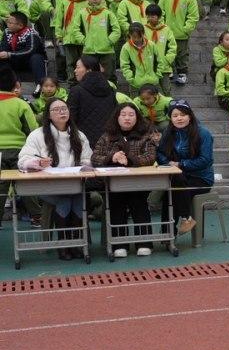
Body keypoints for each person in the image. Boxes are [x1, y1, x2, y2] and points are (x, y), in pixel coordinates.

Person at [17, 97, 92, 260]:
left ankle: (75, 245)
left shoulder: (79, 135)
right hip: (47, 187)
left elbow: (87, 159)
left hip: (74, 185)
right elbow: (23, 160)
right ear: (48, 115)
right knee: (65, 200)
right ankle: (65, 246)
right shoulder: (37, 135)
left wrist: (85, 166)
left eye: (64, 108)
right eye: (56, 109)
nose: (61, 112)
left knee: (77, 198)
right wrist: (38, 163)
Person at [90, 103, 157, 258]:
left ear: (137, 117)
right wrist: (112, 157)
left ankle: (144, 243)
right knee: (116, 207)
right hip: (114, 182)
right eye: (123, 115)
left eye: (131, 115)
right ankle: (119, 244)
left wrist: (130, 159)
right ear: (117, 117)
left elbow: (150, 156)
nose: (127, 118)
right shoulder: (107, 136)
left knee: (139, 205)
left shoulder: (145, 135)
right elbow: (95, 158)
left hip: (138, 182)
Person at [156, 99, 214, 236]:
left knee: (172, 192)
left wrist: (180, 164)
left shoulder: (203, 133)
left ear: (190, 116)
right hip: (178, 176)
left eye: (183, 114)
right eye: (175, 115)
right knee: (173, 188)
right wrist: (168, 163)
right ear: (171, 118)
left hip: (200, 178)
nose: (179, 118)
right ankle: (184, 220)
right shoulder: (168, 132)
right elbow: (160, 153)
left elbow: (205, 160)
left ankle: (168, 232)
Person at [0, 68, 38, 220]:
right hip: (19, 150)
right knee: (25, 184)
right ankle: (36, 217)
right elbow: (33, 130)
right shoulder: (21, 104)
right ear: (15, 84)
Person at [158, 0, 200, 86]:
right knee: (167, 51)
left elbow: (193, 17)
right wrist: (162, 25)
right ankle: (170, 71)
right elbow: (160, 10)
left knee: (182, 54)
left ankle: (182, 73)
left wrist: (186, 30)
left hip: (181, 34)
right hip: (166, 31)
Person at [67, 56, 118, 148]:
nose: (75, 71)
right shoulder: (110, 90)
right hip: (108, 142)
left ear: (89, 70)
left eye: (78, 67)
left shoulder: (76, 91)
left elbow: (70, 118)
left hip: (83, 143)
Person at [0, 11, 47, 84]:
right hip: (14, 60)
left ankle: (41, 85)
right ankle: (6, 85)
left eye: (10, 23)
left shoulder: (31, 34)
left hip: (28, 61)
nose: (7, 24)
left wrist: (9, 54)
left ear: (20, 25)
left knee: (36, 57)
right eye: (7, 22)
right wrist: (3, 54)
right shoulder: (7, 32)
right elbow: (4, 47)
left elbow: (30, 51)